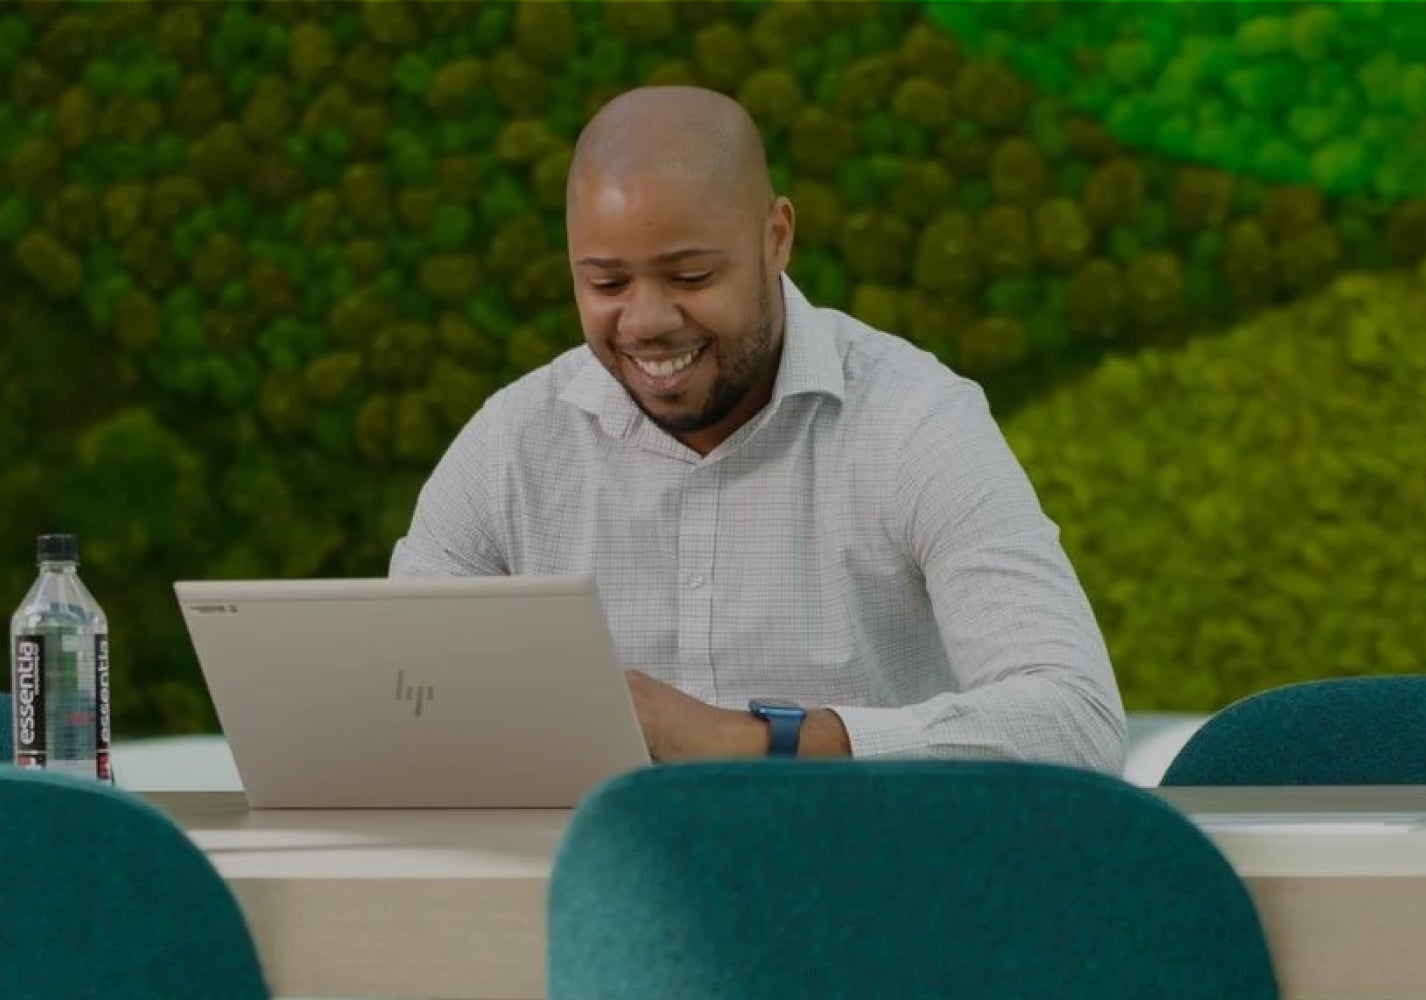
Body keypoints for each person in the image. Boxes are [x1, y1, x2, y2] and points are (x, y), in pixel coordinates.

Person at [388, 86, 1126, 771]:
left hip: (869, 894)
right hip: (594, 893)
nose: (646, 322)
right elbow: (388, 703)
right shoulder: (512, 443)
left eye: (690, 278)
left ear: (776, 237)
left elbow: (1076, 723)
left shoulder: (914, 421)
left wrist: (752, 742)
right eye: (606, 284)